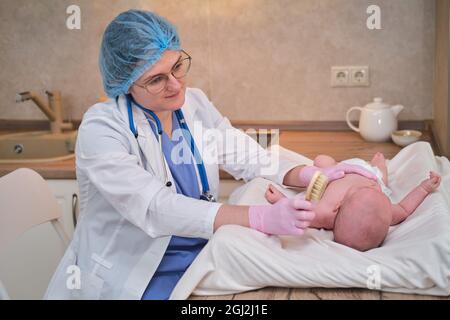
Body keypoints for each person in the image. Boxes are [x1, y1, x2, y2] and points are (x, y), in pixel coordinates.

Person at [44, 9, 377, 300]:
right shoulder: (102, 130)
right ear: (126, 84)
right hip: (133, 274)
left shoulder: (192, 104)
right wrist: (260, 218)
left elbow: (242, 151)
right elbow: (155, 208)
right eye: (156, 79)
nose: (175, 85)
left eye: (177, 67)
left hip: (198, 257)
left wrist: (306, 173)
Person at [265, 152, 442, 251]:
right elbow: (404, 208)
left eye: (373, 191)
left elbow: (302, 214)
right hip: (372, 174)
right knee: (383, 180)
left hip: (337, 170)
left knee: (322, 160)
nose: (371, 188)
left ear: (338, 208)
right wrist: (424, 188)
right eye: (374, 191)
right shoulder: (387, 207)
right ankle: (381, 167)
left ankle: (339, 162)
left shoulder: (327, 212)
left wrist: (281, 200)